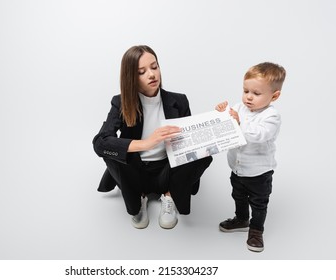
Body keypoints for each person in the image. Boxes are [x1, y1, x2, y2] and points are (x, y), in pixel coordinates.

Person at [93, 45, 212, 229]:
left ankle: (169, 195)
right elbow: (100, 143)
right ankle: (138, 198)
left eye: (154, 67)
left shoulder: (179, 101)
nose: (151, 74)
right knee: (113, 152)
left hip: (167, 170)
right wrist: (146, 143)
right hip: (135, 170)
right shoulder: (120, 102)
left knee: (203, 153)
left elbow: (189, 141)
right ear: (131, 77)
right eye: (142, 71)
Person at [215, 62, 286, 252]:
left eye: (256, 93)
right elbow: (227, 124)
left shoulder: (271, 116)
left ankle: (256, 230)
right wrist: (222, 112)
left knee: (258, 202)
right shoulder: (239, 108)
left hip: (259, 172)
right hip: (237, 169)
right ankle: (241, 219)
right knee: (238, 196)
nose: (248, 96)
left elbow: (259, 135)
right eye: (246, 90)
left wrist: (238, 122)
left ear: (274, 95)